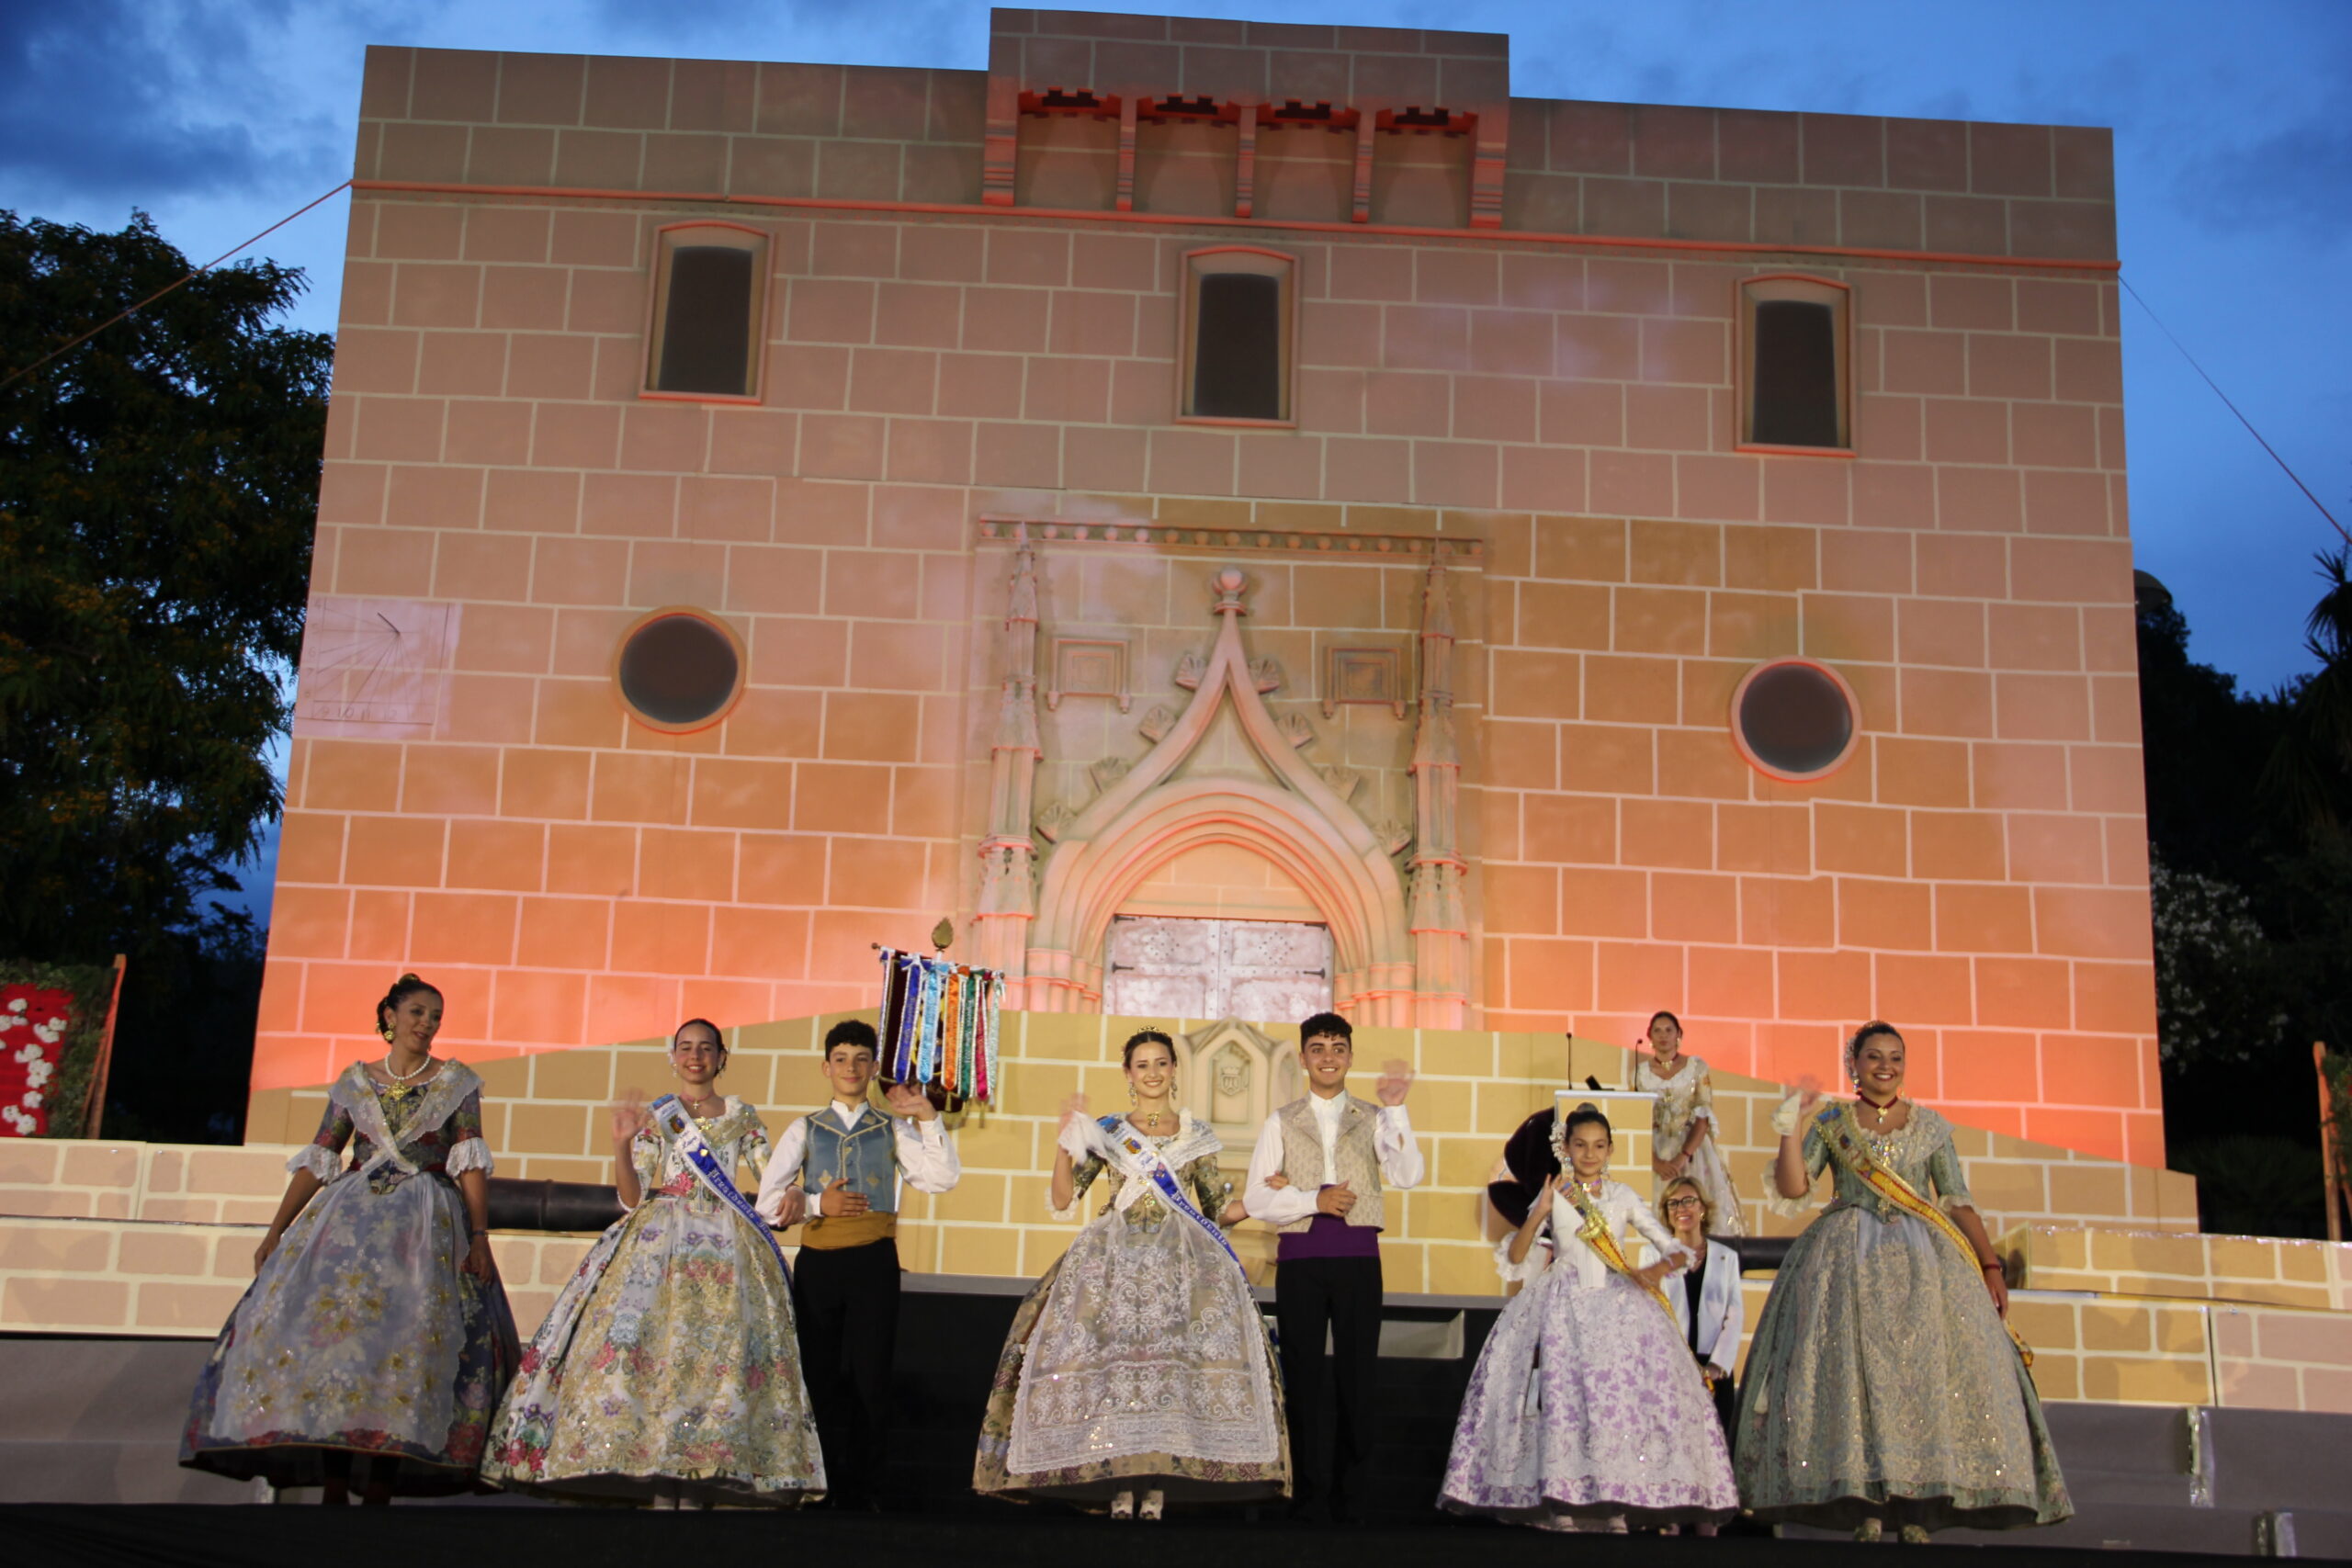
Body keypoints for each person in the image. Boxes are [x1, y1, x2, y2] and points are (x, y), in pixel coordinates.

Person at [182, 974, 519, 1502]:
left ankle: (380, 1485)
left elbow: (470, 1162)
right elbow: (322, 1156)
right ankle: (335, 1485)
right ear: (389, 1015)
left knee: (402, 1348)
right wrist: (278, 1229)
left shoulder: (457, 1084)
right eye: (416, 1013)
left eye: (435, 1016)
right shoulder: (355, 1083)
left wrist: (479, 1235)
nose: (426, 1023)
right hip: (349, 1226)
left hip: (423, 1229)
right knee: (340, 1350)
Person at [1736, 1021, 2071, 1541]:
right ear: (1855, 1064)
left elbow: (1956, 1199)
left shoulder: (1931, 1127)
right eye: (1873, 1056)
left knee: (1920, 1382)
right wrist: (1788, 1130)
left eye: (1895, 1056)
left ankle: (1915, 1507)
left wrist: (1989, 1265)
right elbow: (1794, 1187)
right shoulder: (1832, 1123)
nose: (1885, 1066)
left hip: (1926, 1266)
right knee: (1854, 1381)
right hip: (1846, 1263)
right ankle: (1869, 1504)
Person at [481, 1019, 823, 1506]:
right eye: (686, 1047)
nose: (696, 1056)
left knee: (715, 1360)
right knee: (659, 1357)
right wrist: (621, 1144)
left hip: (728, 1246)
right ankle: (661, 1484)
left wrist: (791, 1188)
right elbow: (631, 1197)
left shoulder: (743, 1116)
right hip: (662, 1240)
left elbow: (769, 1180)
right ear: (673, 1056)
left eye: (706, 1048)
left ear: (722, 1057)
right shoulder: (659, 1116)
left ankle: (705, 1478)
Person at [975, 1029, 1288, 1518]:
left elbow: (1213, 1209)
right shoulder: (1107, 1131)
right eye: (1142, 1065)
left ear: (1173, 1070)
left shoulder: (1196, 1135)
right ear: (1128, 1074)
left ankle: (1157, 1485)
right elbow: (1062, 1199)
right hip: (1114, 1265)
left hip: (1180, 1269)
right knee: (1116, 1374)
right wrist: (1064, 1146)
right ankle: (1117, 1483)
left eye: (1161, 1063)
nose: (1153, 1074)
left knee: (1169, 1375)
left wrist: (1265, 1198)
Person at [1440, 1102, 1737, 1533]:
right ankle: (1562, 1501)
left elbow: (1674, 1247)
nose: (1590, 1153)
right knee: (1563, 1401)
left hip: (1616, 1307)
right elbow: (1517, 1256)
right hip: (1563, 1303)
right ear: (1567, 1148)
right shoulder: (1555, 1194)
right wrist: (1541, 1210)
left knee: (1613, 1405)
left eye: (1599, 1145)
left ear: (1611, 1148)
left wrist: (1654, 1269)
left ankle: (1612, 1504)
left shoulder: (1623, 1198)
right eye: (1581, 1145)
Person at [752, 1018, 958, 1509]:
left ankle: (864, 1487)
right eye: (841, 1059)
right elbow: (766, 1203)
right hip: (819, 1264)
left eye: (861, 1059)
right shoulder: (804, 1128)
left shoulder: (893, 1127)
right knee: (818, 1373)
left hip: (873, 1262)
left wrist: (928, 1117)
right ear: (827, 1067)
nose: (851, 1067)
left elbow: (940, 1178)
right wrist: (820, 1204)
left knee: (871, 1375)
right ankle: (815, 1480)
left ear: (873, 1069)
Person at [1242, 1010, 1423, 1524]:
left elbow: (1408, 1174)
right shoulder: (1281, 1119)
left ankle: (1351, 1496)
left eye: (1337, 1048)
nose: (1327, 1057)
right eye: (1318, 1048)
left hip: (1358, 1258)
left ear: (1350, 1056)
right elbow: (1257, 1196)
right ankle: (1305, 1493)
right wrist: (1311, 1199)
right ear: (1303, 1058)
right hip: (1300, 1260)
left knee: (1356, 1378)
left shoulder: (1373, 1115)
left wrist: (1397, 1112)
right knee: (1301, 1378)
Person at [1658, 1174, 1743, 1534]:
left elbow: (1734, 1314)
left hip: (1713, 1370)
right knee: (1672, 1447)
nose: (1683, 1209)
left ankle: (1707, 1528)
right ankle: (1670, 1522)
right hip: (1671, 1368)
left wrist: (1717, 1366)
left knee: (1711, 1452)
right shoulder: (1655, 1255)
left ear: (1703, 1207)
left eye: (1689, 1201)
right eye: (1674, 1203)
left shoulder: (1726, 1257)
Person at [1634, 1011, 1745, 1237]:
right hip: (1654, 1149)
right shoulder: (1640, 1073)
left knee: (1697, 1205)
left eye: (1669, 1030)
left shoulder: (1696, 1067)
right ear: (1649, 1036)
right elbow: (1635, 1118)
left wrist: (1681, 1158)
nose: (1663, 1035)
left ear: (1678, 1035)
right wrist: (1655, 1160)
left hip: (1692, 1149)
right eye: (1657, 1030)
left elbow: (1703, 1115)